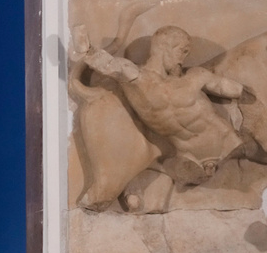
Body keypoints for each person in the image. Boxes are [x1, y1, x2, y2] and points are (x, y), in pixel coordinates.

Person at [76, 24, 246, 190]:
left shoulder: (195, 76)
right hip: (188, 156)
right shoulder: (137, 78)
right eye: (183, 50)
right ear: (164, 47)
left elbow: (228, 88)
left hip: (227, 141)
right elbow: (111, 65)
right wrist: (88, 50)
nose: (184, 57)